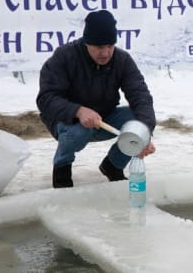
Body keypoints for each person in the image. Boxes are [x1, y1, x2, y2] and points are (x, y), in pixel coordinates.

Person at [36, 10, 156, 188]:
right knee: (78, 131)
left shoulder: (122, 60)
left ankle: (112, 166)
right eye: (99, 47)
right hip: (66, 121)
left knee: (137, 122)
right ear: (87, 43)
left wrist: (144, 133)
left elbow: (141, 97)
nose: (106, 53)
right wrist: (78, 111)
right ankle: (62, 170)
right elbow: (45, 99)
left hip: (104, 117)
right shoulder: (64, 56)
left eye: (110, 46)